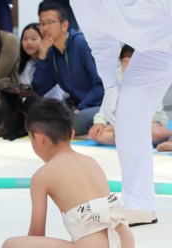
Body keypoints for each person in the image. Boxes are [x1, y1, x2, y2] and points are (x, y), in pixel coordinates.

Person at [0, 98, 147, 248]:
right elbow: (96, 213)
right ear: (71, 134)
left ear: (38, 138)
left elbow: (36, 233)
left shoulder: (43, 176)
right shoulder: (90, 162)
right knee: (95, 214)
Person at [70, 0, 172, 225]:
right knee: (127, 118)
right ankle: (139, 204)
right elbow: (101, 43)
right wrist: (110, 86)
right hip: (150, 53)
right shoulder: (81, 3)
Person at [32, 2, 104, 136]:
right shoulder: (51, 53)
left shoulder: (81, 44)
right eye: (42, 23)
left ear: (64, 25)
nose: (45, 28)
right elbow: (39, 89)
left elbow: (100, 87)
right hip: (75, 108)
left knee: (71, 122)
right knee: (38, 114)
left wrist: (80, 108)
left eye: (50, 22)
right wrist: (41, 58)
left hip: (99, 107)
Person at [89, 45, 171, 146]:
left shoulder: (148, 76)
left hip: (148, 124)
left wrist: (124, 125)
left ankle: (127, 138)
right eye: (125, 61)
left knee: (155, 132)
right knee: (97, 134)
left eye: (131, 61)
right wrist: (99, 122)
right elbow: (107, 102)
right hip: (121, 125)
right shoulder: (116, 76)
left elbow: (154, 113)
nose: (128, 65)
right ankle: (129, 140)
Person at [18, 22, 65, 107]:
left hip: (52, 105)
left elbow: (38, 90)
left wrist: (41, 59)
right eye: (25, 39)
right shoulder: (23, 63)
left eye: (34, 39)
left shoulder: (52, 61)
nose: (28, 42)